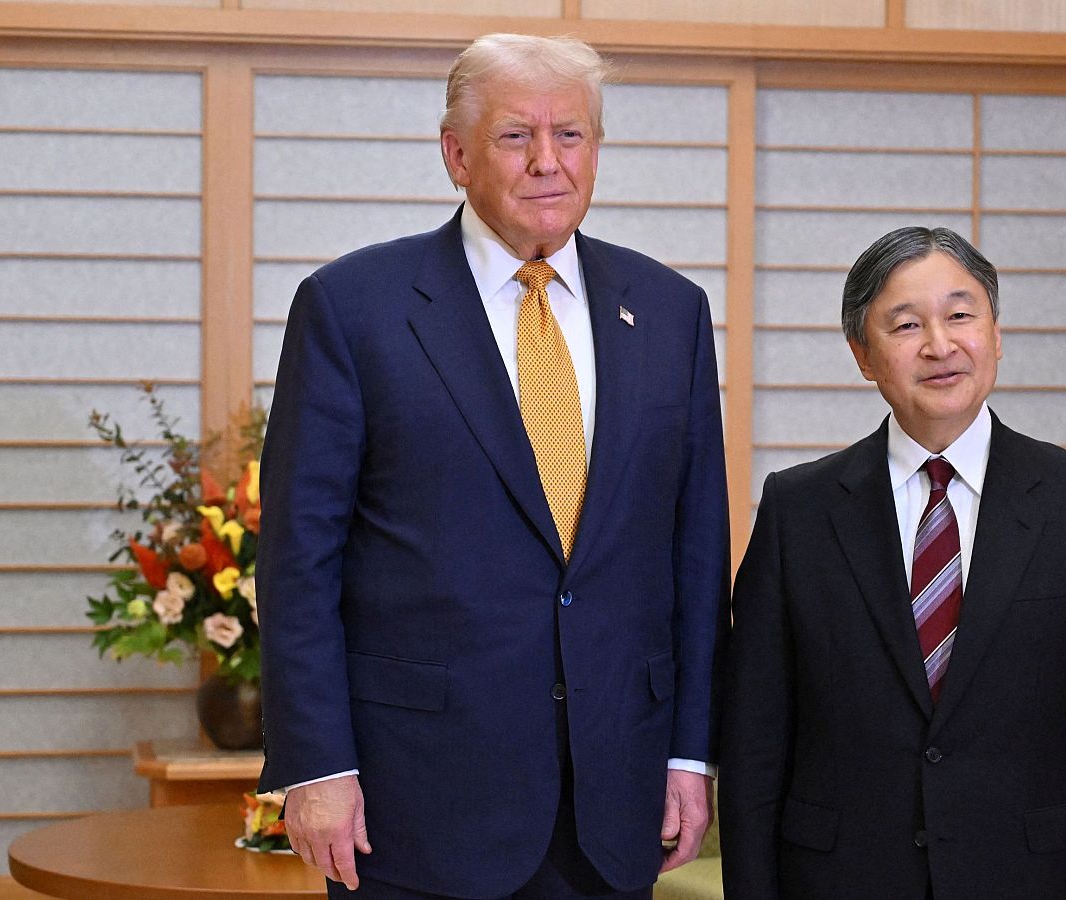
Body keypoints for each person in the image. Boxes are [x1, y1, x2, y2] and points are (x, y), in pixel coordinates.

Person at [255, 33, 729, 900]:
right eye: (517, 136)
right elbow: (296, 561)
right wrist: (316, 767)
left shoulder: (669, 312)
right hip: (416, 804)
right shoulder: (354, 308)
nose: (549, 161)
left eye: (572, 135)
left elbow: (696, 556)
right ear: (457, 154)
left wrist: (690, 752)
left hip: (613, 802)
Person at [719, 226, 1066, 899]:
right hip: (840, 877)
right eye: (905, 324)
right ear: (862, 355)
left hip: (1029, 875)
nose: (940, 345)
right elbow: (754, 741)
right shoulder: (798, 511)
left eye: (960, 315)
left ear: (997, 334)